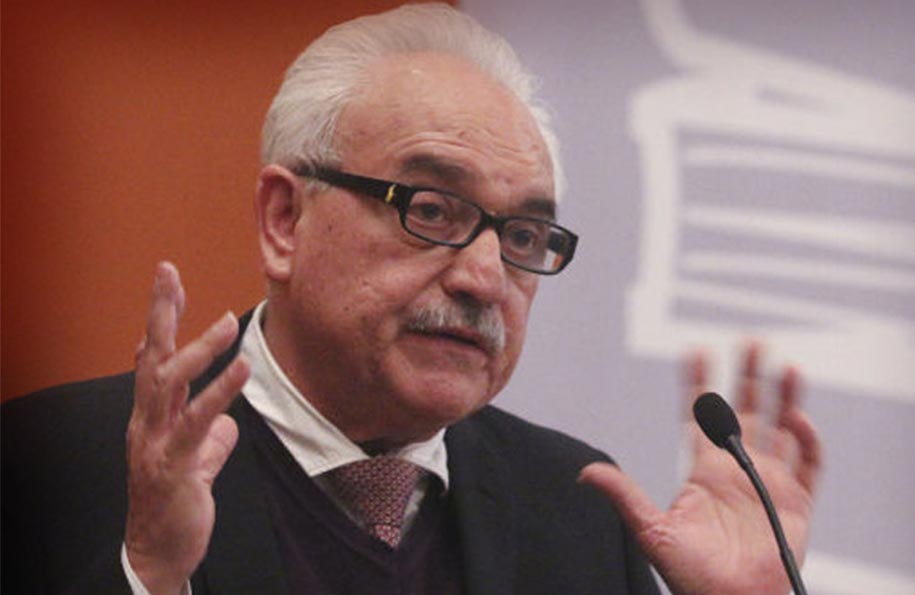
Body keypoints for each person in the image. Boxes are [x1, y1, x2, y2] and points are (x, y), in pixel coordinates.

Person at [1, 4, 822, 594]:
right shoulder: (50, 466)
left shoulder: (575, 511)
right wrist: (147, 573)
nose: (483, 277)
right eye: (432, 210)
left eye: (523, 234)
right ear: (285, 220)